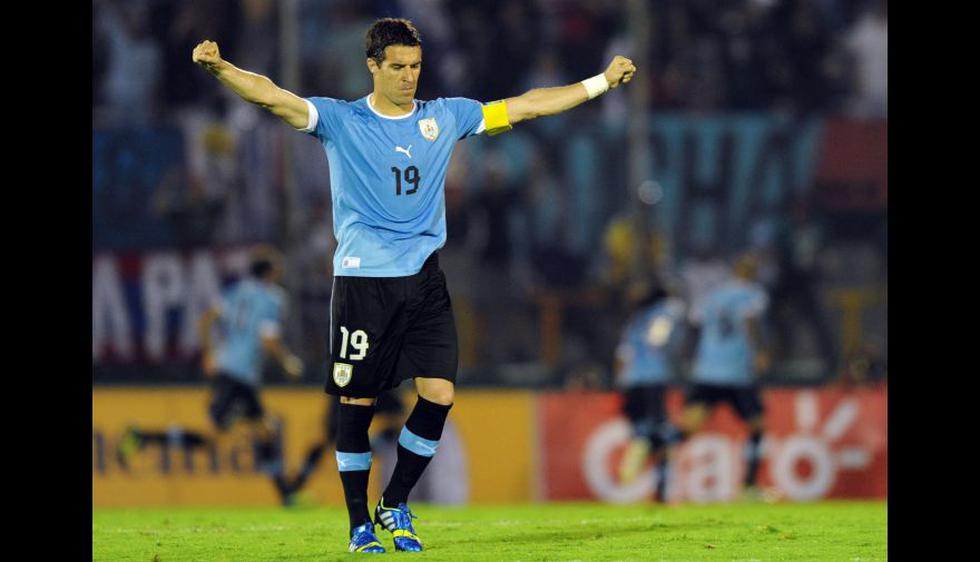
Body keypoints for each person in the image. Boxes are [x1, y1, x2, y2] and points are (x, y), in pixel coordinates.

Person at [191, 17, 636, 553]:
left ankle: (395, 502)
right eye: (398, 67)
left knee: (440, 394)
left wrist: (600, 82)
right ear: (373, 66)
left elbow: (527, 106)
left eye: (416, 67)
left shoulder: (444, 117)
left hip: (424, 279)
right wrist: (221, 69)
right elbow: (273, 97)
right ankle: (359, 525)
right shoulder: (342, 120)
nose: (409, 77)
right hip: (363, 281)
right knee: (356, 405)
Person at [118, 245, 304, 495]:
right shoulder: (272, 298)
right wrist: (287, 361)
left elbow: (205, 319)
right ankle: (142, 437)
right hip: (239, 376)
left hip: (230, 368)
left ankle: (286, 494)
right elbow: (268, 339)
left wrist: (208, 353)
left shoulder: (236, 291)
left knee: (265, 430)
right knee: (211, 438)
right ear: (270, 272)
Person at [679, 253, 771, 500]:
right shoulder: (753, 294)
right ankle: (749, 486)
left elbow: (694, 323)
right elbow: (750, 319)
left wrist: (689, 357)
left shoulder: (713, 296)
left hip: (706, 372)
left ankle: (662, 476)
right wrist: (760, 350)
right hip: (737, 373)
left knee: (686, 430)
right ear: (752, 273)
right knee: (757, 428)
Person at [614, 281, 686, 503]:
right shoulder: (667, 310)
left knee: (644, 427)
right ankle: (660, 486)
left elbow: (622, 354)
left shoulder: (635, 319)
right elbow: (658, 340)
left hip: (631, 380)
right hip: (653, 378)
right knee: (661, 433)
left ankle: (641, 441)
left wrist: (621, 381)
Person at [279, 390, 405, 507]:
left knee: (389, 452)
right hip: (345, 434)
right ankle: (294, 491)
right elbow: (333, 424)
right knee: (320, 451)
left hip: (376, 440)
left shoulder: (380, 387)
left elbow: (398, 415)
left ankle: (392, 497)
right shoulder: (344, 386)